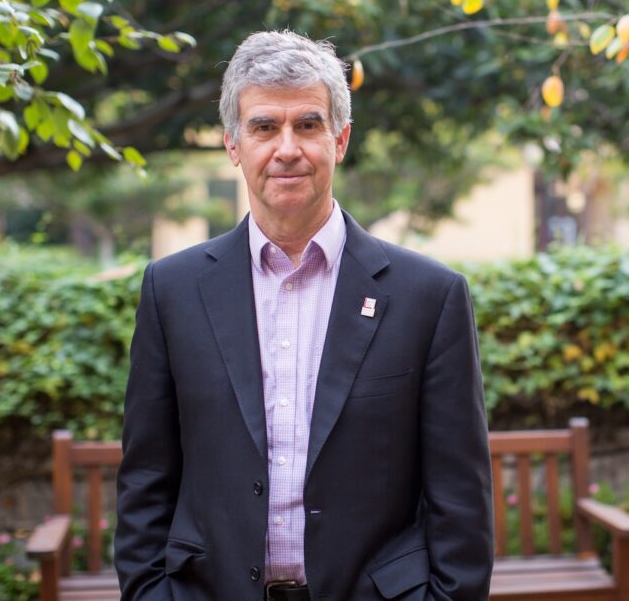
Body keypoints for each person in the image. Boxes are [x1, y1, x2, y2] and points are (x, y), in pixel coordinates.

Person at [114, 30, 494, 601]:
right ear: (233, 145)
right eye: (264, 126)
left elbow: (460, 498)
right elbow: (147, 477)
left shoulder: (429, 297)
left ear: (340, 140)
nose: (286, 148)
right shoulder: (172, 291)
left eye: (308, 125)